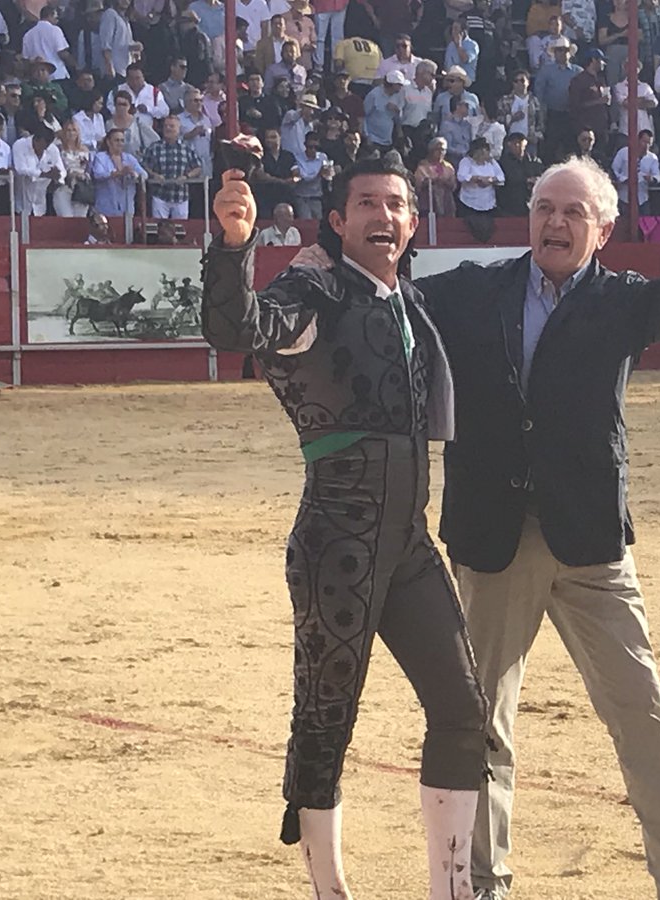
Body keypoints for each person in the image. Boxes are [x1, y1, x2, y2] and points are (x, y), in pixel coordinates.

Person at [406, 117, 660, 900]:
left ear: (602, 229)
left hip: (590, 542)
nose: (555, 222)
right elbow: (389, 293)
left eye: (572, 212)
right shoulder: (474, 291)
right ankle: (481, 885)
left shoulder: (625, 302)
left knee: (641, 715)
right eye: (543, 208)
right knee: (481, 722)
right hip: (494, 538)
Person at [204, 150, 487, 900]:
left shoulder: (408, 301)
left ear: (413, 221)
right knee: (327, 717)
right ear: (337, 220)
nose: (383, 216)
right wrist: (235, 246)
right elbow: (241, 328)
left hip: (407, 543)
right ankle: (331, 891)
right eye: (366, 204)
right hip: (339, 542)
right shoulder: (314, 289)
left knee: (463, 711)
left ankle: (451, 891)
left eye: (396, 205)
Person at [142, 115, 203, 219]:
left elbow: (198, 167)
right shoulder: (154, 147)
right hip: (160, 196)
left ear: (178, 129)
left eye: (171, 126)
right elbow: (144, 166)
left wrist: (186, 176)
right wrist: (154, 175)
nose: (168, 128)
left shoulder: (186, 148)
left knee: (181, 229)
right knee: (159, 228)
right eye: (166, 126)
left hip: (180, 196)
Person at [91, 126, 147, 217]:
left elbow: (144, 175)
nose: (120, 143)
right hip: (105, 207)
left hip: (127, 207)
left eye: (122, 140)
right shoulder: (100, 157)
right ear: (108, 142)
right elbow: (98, 174)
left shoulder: (129, 158)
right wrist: (119, 173)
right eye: (117, 140)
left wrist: (133, 173)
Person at [12, 123, 64, 217]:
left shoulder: (52, 149)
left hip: (41, 203)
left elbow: (62, 170)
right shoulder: (20, 145)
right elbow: (20, 169)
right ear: (35, 140)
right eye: (42, 146)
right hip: (22, 200)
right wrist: (43, 174)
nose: (44, 149)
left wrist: (58, 178)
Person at [612, 127, 660, 214]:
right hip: (624, 198)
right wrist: (624, 179)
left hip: (642, 199)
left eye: (649, 143)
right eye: (644, 142)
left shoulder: (652, 158)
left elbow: (657, 176)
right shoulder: (623, 152)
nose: (646, 146)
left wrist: (651, 179)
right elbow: (614, 170)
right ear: (637, 140)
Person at [456, 136, 504, 217]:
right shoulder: (466, 162)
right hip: (469, 202)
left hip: (488, 202)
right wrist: (478, 179)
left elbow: (502, 177)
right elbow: (461, 176)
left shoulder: (492, 162)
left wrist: (490, 180)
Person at [496, 131, 542, 215]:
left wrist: (537, 179)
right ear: (509, 145)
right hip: (511, 202)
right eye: (515, 143)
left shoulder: (533, 160)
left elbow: (541, 173)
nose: (518, 145)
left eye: (520, 142)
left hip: (531, 200)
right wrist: (526, 180)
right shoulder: (504, 162)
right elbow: (508, 178)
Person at [55, 119, 94, 218]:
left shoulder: (85, 149)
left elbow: (89, 168)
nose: (71, 133)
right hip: (64, 187)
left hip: (81, 188)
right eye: (68, 130)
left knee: (80, 219)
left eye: (74, 130)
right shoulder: (58, 148)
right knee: (66, 216)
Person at [413, 135, 457, 216]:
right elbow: (417, 186)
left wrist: (445, 182)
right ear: (431, 150)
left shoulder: (449, 167)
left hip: (446, 203)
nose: (441, 152)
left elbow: (453, 186)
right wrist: (431, 182)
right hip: (428, 204)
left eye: (443, 150)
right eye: (438, 149)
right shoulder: (423, 166)